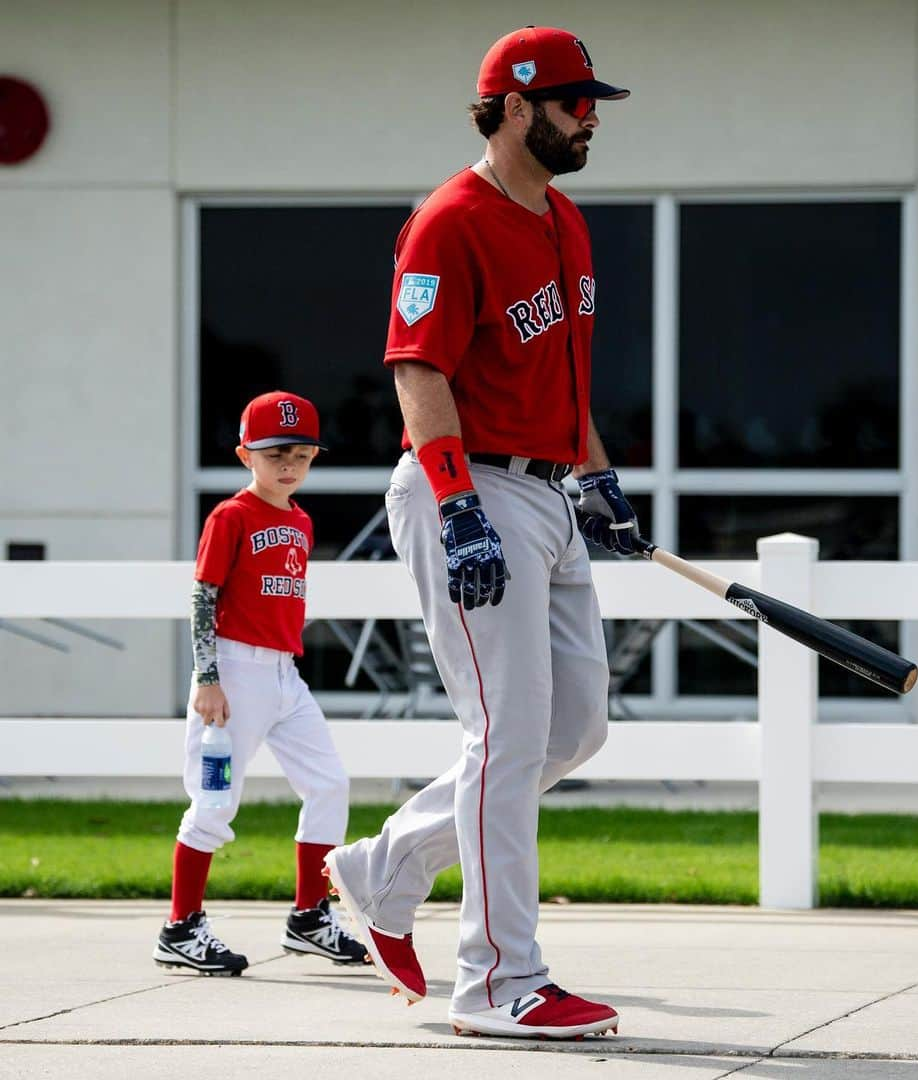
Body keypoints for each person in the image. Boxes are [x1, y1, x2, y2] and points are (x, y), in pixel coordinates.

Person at [324, 26, 635, 1038]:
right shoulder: (449, 220)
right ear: (512, 106)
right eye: (573, 102)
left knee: (572, 727)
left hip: (549, 494)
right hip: (469, 487)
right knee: (501, 737)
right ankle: (499, 983)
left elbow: (567, 378)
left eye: (593, 102)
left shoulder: (566, 220)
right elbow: (420, 371)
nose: (591, 117)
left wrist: (598, 481)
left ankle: (385, 868)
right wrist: (459, 507)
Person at [154, 391, 369, 975]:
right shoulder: (231, 516)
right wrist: (207, 676)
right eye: (275, 452)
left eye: (302, 453)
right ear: (246, 454)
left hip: (283, 675)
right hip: (233, 674)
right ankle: (181, 926)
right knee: (214, 801)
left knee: (329, 784)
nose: (289, 464)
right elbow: (204, 595)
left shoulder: (300, 520)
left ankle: (308, 917)